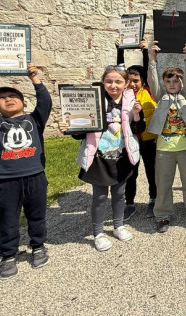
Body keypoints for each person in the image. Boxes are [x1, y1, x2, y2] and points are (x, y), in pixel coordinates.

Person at [0, 59, 52, 279]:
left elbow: (45, 102)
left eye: (13, 96)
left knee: (37, 216)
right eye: (2, 99)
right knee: (7, 219)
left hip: (35, 176)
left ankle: (38, 246)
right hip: (6, 180)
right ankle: (8, 255)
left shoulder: (34, 120)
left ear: (24, 102)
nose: (8, 99)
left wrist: (34, 77)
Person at [59, 64, 145, 252]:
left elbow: (139, 130)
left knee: (120, 194)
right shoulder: (94, 101)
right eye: (109, 81)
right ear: (102, 82)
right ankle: (98, 232)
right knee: (99, 196)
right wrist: (70, 127)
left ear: (126, 84)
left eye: (118, 81)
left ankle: (118, 225)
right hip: (99, 157)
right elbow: (81, 133)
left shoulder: (131, 102)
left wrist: (137, 115)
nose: (113, 85)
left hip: (121, 157)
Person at [146, 42, 186, 233]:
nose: (172, 84)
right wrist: (152, 59)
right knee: (163, 183)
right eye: (169, 81)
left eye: (176, 81)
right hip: (165, 149)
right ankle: (162, 214)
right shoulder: (160, 96)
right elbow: (152, 81)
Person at [116, 39, 157, 220]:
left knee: (151, 171)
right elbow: (119, 69)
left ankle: (153, 199)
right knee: (131, 173)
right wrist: (120, 49)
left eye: (136, 80)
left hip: (148, 139)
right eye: (130, 81)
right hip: (130, 140)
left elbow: (148, 69)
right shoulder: (124, 94)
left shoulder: (147, 89)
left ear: (142, 81)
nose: (133, 84)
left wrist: (145, 51)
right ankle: (130, 203)